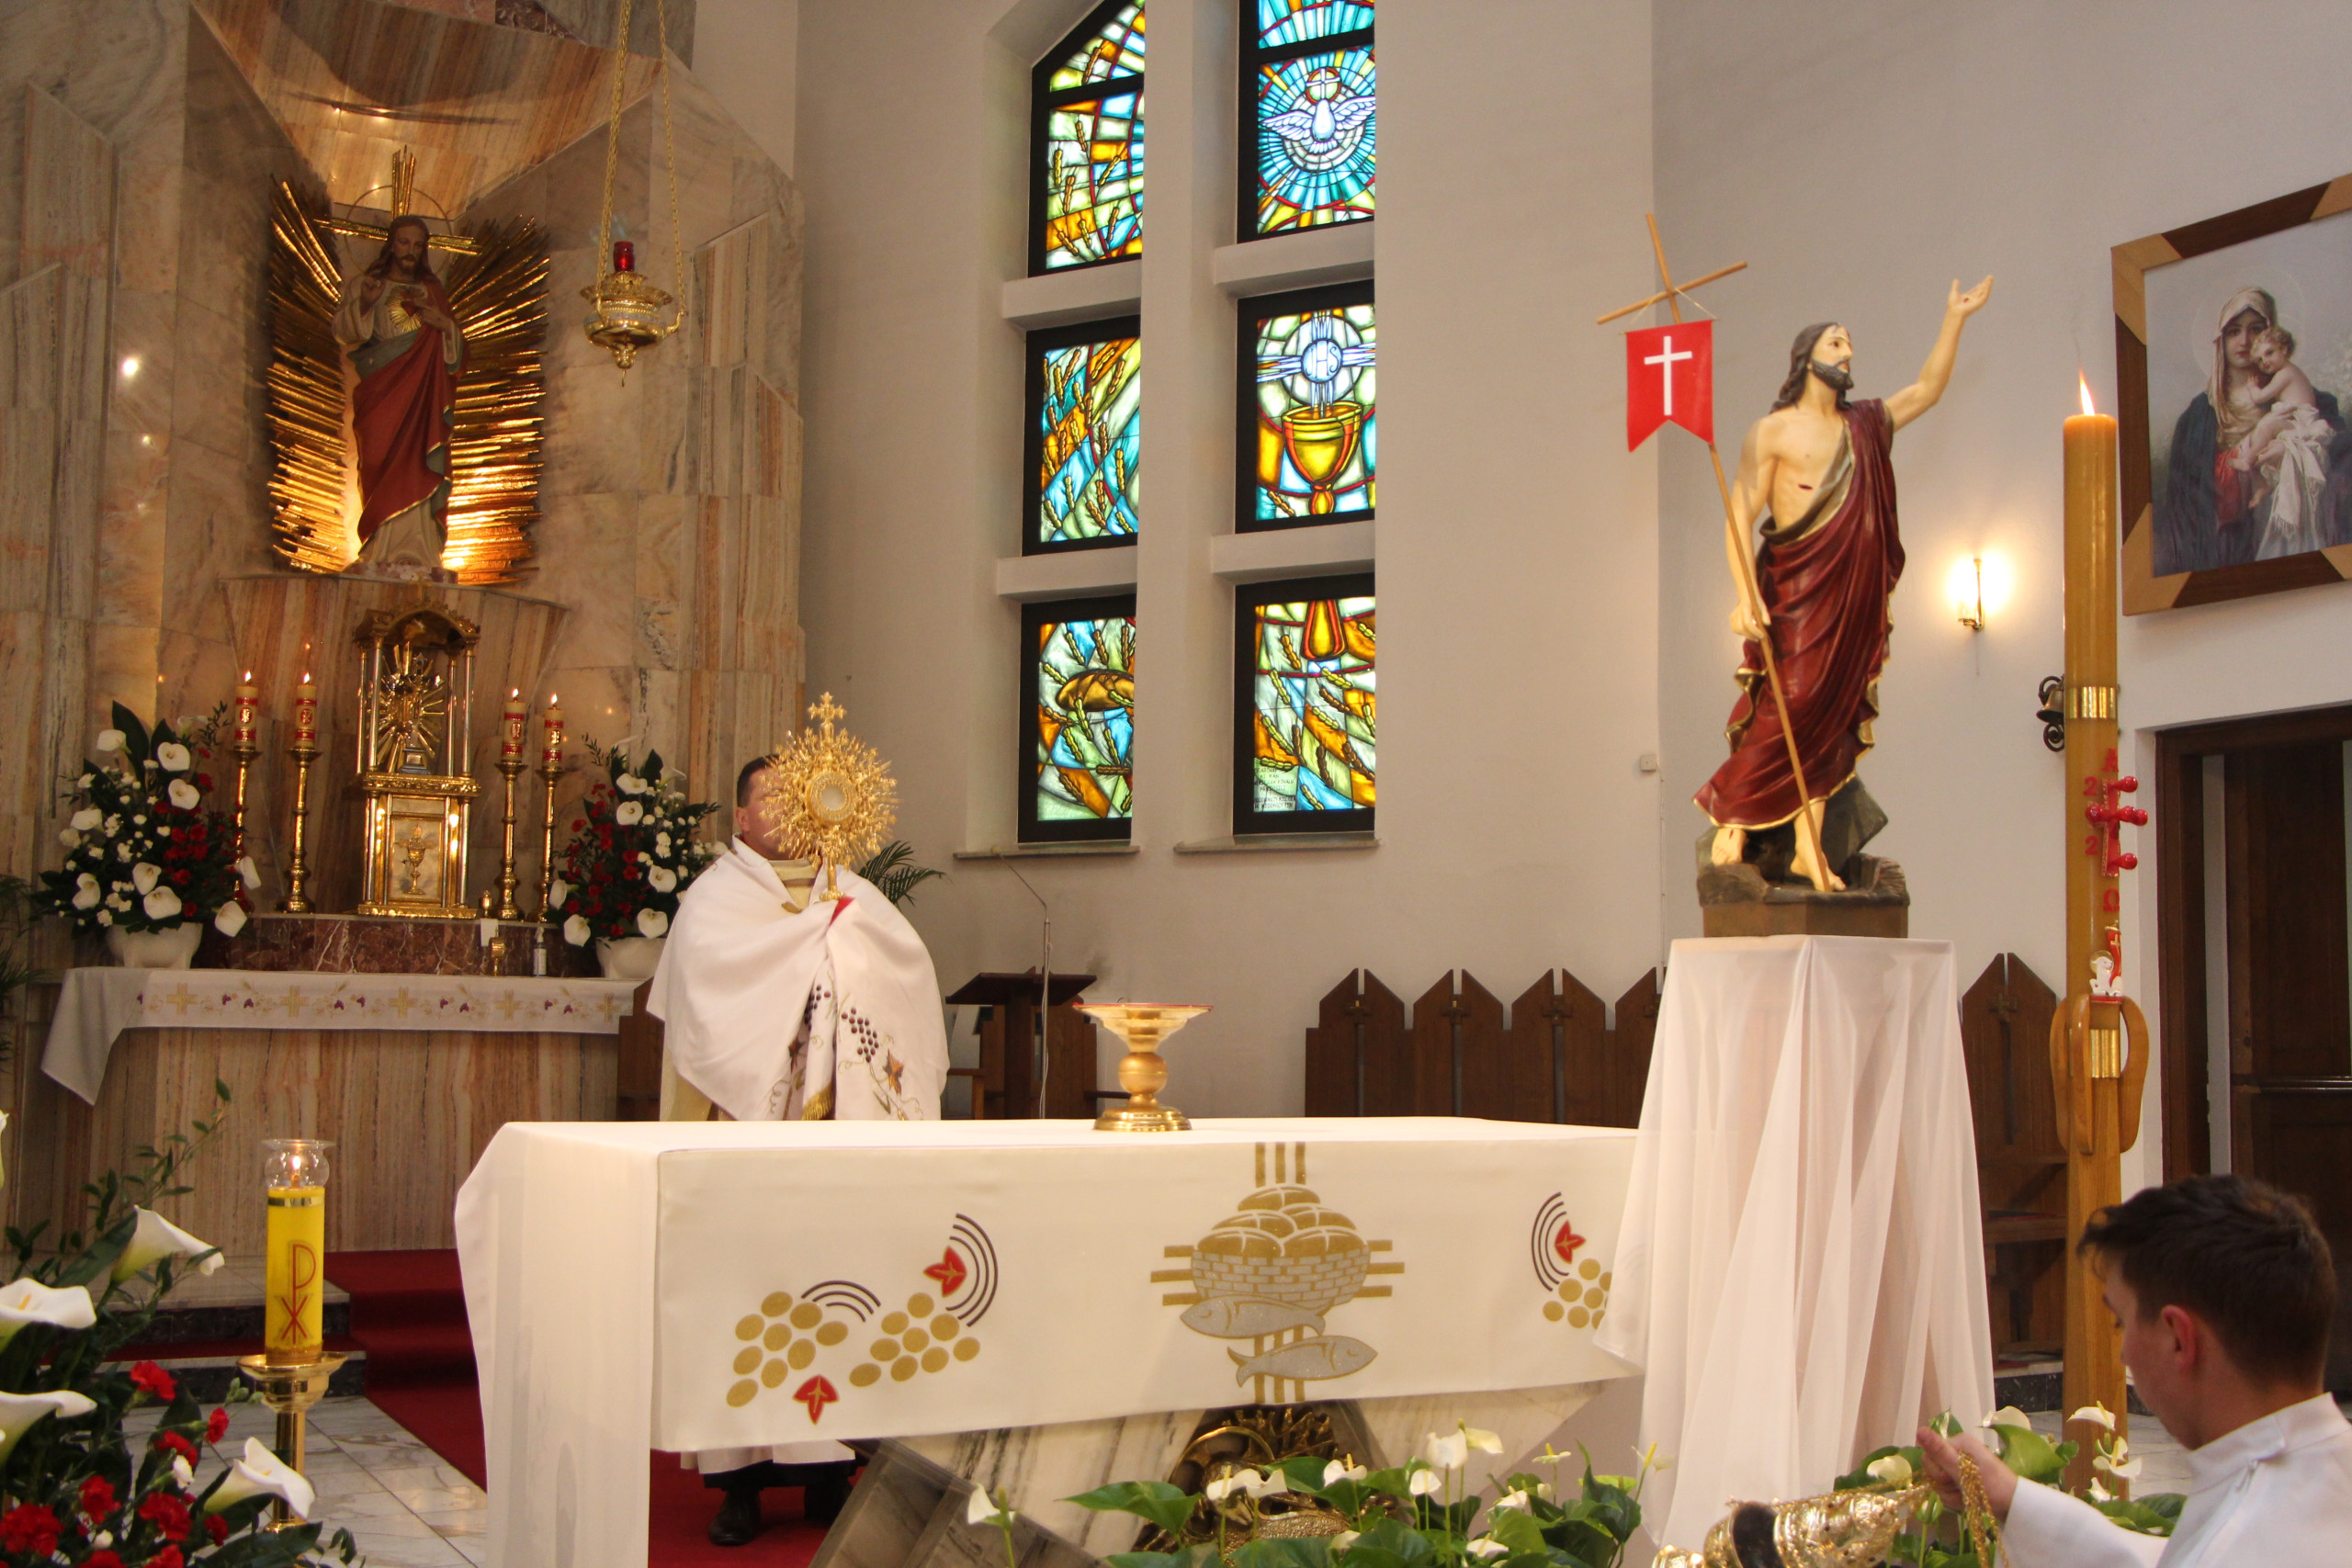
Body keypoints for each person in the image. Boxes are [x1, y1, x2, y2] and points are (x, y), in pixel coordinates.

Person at [646, 755, 950, 1543]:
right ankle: (739, 1486)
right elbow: (704, 1018)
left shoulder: (854, 897)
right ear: (742, 819)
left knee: (839, 1289)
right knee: (745, 1301)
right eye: (770, 799)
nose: (788, 810)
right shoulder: (715, 902)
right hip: (745, 1141)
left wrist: (842, 959)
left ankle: (830, 1474)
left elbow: (906, 983)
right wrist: (806, 968)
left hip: (838, 1144)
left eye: (797, 796)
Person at [1697, 278, 1991, 892]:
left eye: (1849, 343)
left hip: (1854, 590)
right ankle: (1734, 812)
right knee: (1795, 700)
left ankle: (1808, 844)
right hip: (1799, 587)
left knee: (1831, 714)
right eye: (1836, 343)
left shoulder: (1866, 423)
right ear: (1807, 359)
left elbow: (1928, 390)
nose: (1848, 352)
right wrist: (1745, 596)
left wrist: (1954, 318)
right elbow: (1738, 513)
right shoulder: (1773, 432)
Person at [1918, 1174, 2352, 1565]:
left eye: (2120, 1322)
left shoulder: (2241, 1541)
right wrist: (2013, 1499)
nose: (2124, 1354)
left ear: (2178, 1338)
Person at [332, 215, 464, 574]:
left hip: (423, 397)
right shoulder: (368, 284)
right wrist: (365, 303)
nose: (410, 251)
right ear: (391, 244)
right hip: (381, 392)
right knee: (377, 460)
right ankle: (379, 544)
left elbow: (456, 355)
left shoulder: (432, 292)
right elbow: (343, 331)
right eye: (404, 243)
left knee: (420, 459)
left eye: (418, 245)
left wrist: (444, 326)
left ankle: (419, 548)